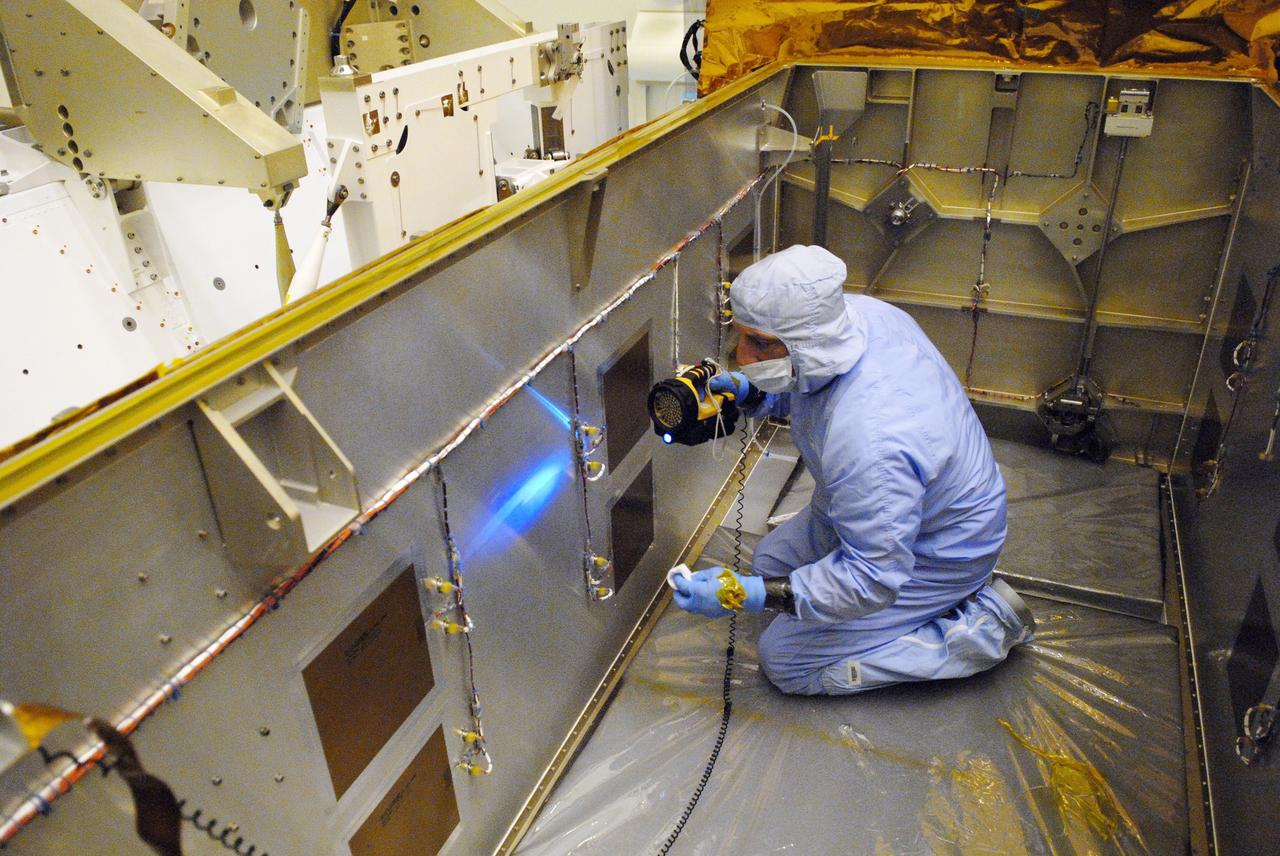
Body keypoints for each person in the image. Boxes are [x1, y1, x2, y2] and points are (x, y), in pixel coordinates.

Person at [671, 245, 1034, 695]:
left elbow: (871, 578)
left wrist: (746, 594)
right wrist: (754, 393)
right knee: (769, 562)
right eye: (742, 337)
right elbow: (811, 383)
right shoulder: (858, 316)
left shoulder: (871, 441)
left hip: (940, 549)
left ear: (806, 342)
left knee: (784, 660)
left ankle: (982, 626)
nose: (742, 356)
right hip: (887, 506)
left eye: (760, 344)